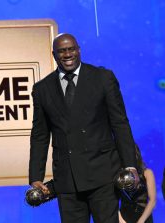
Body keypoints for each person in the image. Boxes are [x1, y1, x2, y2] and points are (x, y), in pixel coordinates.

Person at [28, 33, 139, 223]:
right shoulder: (42, 89)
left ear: (79, 50)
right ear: (54, 54)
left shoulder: (102, 78)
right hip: (67, 179)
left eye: (71, 49)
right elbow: (40, 135)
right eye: (62, 51)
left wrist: (129, 165)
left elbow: (119, 123)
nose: (67, 54)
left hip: (103, 174)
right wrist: (36, 176)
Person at [118, 144, 156, 223]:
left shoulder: (147, 173)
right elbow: (111, 199)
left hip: (143, 216)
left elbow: (152, 200)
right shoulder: (119, 175)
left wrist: (141, 221)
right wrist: (120, 218)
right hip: (123, 217)